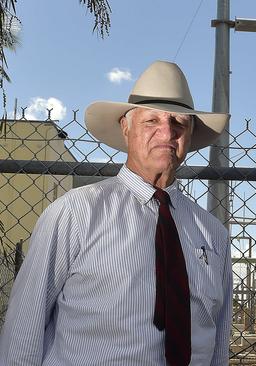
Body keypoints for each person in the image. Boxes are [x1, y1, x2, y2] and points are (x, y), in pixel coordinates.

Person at [0, 61, 233, 365]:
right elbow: (24, 331)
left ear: (189, 135)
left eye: (179, 122)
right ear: (126, 126)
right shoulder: (76, 213)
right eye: (152, 121)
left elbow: (217, 344)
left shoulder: (213, 233)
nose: (167, 132)